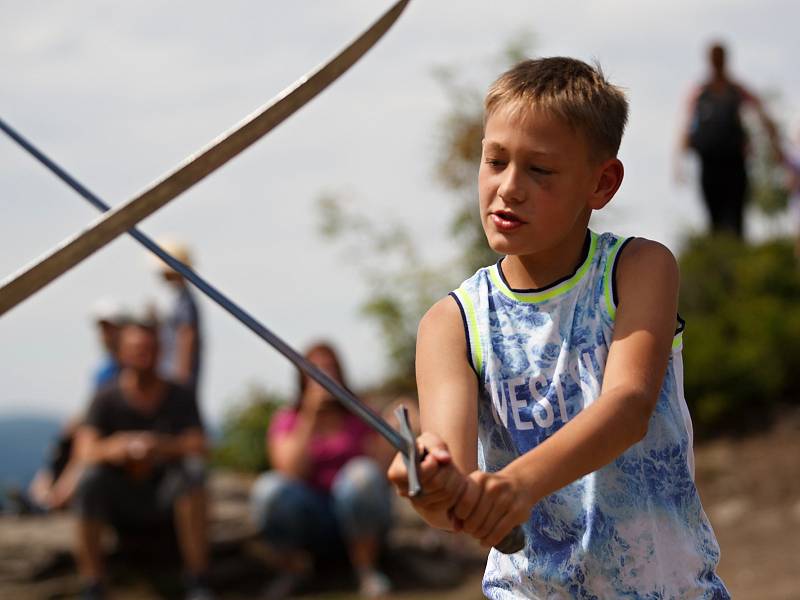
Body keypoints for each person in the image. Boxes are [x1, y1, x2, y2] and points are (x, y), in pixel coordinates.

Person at [387, 57, 730, 598]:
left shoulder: (638, 269)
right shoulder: (451, 323)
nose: (509, 188)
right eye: (495, 161)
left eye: (540, 170)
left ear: (602, 183)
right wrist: (431, 488)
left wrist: (514, 486)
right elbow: (448, 490)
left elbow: (628, 408)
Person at [72, 318, 213, 600]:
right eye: (136, 349)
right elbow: (85, 450)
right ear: (122, 353)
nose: (143, 355)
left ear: (160, 351)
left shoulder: (179, 395)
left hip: (167, 495)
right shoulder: (106, 398)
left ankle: (198, 582)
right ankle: (93, 585)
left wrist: (159, 446)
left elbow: (199, 444)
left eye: (150, 348)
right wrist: (119, 448)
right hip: (120, 497)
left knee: (193, 472)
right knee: (89, 481)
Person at [249, 342, 392, 599]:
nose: (323, 376)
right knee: (268, 489)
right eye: (315, 370)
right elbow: (289, 472)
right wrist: (310, 414)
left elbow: (380, 472)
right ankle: (293, 571)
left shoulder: (360, 413)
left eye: (329, 369)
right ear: (302, 377)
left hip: (358, 517)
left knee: (361, 474)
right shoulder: (288, 419)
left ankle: (366, 569)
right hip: (313, 517)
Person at [679, 41, 781, 238]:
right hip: (709, 163)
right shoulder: (700, 92)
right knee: (714, 218)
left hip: (735, 162)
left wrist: (774, 144)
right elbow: (687, 125)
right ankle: (719, 258)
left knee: (737, 216)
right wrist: (680, 162)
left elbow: (761, 112)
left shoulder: (737, 90)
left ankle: (737, 258)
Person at [155, 240, 203, 394]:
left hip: (175, 375)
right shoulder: (179, 298)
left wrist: (181, 377)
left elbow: (186, 335)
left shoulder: (185, 301)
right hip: (169, 374)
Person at [90, 297, 128, 391]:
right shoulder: (104, 372)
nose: (106, 335)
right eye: (104, 329)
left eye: (111, 329)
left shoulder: (142, 365)